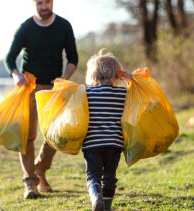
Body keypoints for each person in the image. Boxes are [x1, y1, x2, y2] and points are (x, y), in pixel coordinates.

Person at [4, 0, 78, 199]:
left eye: (46, 2)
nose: (43, 6)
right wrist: (16, 75)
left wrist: (64, 78)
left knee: (56, 135)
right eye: (39, 3)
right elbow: (9, 58)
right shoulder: (26, 27)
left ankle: (39, 168)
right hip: (30, 87)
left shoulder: (64, 26)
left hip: (54, 89)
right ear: (34, 4)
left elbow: (73, 59)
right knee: (28, 137)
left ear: (52, 3)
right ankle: (30, 184)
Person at [82, 49, 131, 211]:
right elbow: (140, 97)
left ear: (93, 74)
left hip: (92, 142)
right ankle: (107, 207)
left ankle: (96, 198)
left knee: (93, 175)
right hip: (114, 142)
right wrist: (129, 81)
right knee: (109, 177)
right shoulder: (124, 93)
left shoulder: (86, 93)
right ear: (118, 74)